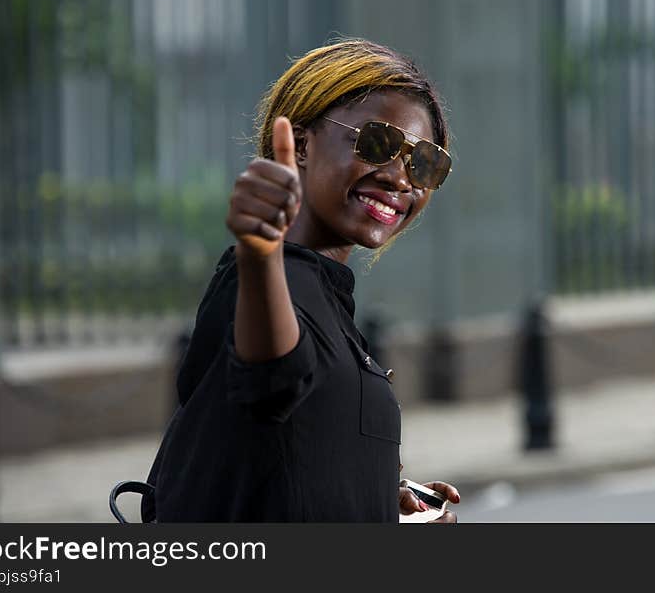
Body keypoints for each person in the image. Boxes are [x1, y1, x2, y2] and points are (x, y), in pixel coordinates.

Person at [142, 38, 460, 522]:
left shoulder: (327, 296)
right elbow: (274, 376)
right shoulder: (269, 283)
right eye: (378, 143)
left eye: (425, 164)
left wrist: (382, 502)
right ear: (304, 144)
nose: (400, 179)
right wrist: (260, 253)